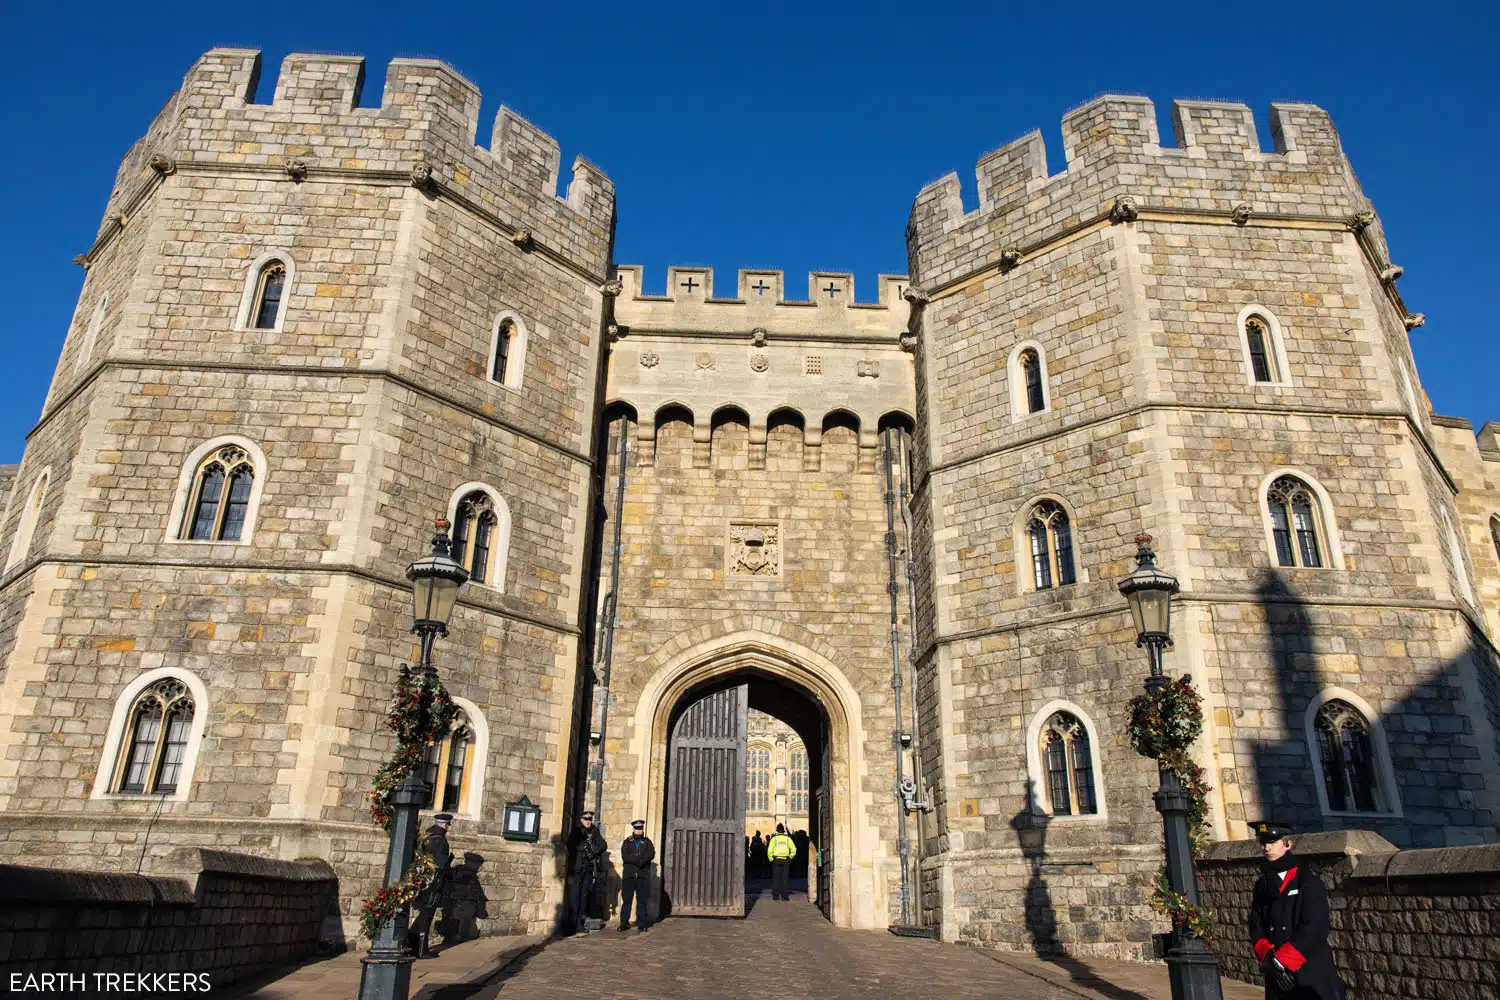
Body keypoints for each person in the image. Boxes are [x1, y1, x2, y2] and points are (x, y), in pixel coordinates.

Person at [1248, 820, 1345, 1000]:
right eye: (1263, 843)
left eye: (1273, 842)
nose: (1267, 848)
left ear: (1288, 844)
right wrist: (1269, 960)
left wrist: (1282, 961)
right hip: (1277, 977)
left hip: (1308, 972)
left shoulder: (1307, 882)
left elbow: (1315, 927)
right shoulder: (1262, 885)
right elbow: (1256, 925)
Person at [407, 812, 455, 958]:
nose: (447, 827)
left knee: (424, 914)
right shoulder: (439, 841)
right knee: (426, 916)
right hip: (433, 883)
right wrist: (449, 867)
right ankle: (420, 950)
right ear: (443, 824)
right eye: (447, 824)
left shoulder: (427, 836)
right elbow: (439, 865)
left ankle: (414, 945)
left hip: (424, 881)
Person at [565, 810, 607, 933]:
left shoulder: (594, 831)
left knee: (584, 896)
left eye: (590, 820)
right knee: (574, 896)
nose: (588, 822)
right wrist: (582, 848)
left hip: (588, 868)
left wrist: (593, 852)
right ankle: (571, 925)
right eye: (586, 819)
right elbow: (570, 845)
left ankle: (579, 923)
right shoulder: (576, 831)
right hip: (577, 868)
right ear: (581, 820)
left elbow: (603, 845)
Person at [618, 819, 655, 932]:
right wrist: (638, 860)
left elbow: (651, 854)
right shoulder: (627, 842)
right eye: (637, 829)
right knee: (627, 900)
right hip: (629, 876)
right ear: (633, 829)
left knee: (642, 901)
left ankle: (642, 923)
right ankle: (624, 923)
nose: (639, 831)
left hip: (642, 876)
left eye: (640, 829)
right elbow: (625, 856)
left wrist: (641, 861)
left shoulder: (647, 842)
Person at [767, 823, 797, 900]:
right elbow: (794, 849)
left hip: (776, 860)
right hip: (785, 860)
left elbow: (769, 850)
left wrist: (771, 859)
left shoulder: (774, 839)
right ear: (783, 831)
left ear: (777, 830)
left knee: (776, 878)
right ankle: (785, 896)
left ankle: (776, 896)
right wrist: (790, 857)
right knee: (785, 879)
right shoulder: (788, 839)